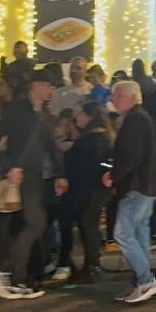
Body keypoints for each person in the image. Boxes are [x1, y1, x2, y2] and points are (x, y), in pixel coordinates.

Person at [0, 63, 66, 301]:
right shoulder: (17, 111)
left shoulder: (43, 115)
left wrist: (61, 174)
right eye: (48, 86)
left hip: (36, 177)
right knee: (35, 224)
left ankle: (15, 277)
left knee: (31, 226)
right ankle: (5, 271)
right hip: (22, 176)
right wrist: (8, 167)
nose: (51, 91)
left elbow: (52, 147)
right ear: (36, 86)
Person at [103, 79, 156, 304]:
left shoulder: (135, 120)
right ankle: (140, 280)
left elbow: (131, 154)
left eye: (118, 95)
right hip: (146, 184)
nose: (114, 99)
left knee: (123, 233)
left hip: (138, 185)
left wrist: (114, 174)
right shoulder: (140, 117)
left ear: (131, 96)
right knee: (139, 232)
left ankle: (146, 279)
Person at [59, 101, 112, 284]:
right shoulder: (98, 137)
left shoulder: (93, 139)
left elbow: (86, 166)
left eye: (80, 114)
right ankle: (91, 265)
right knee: (88, 226)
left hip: (89, 189)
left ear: (89, 116)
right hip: (93, 189)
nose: (77, 118)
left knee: (88, 227)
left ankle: (92, 266)